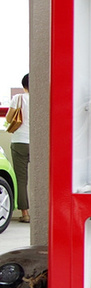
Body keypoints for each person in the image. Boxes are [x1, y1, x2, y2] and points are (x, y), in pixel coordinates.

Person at [7, 74, 29, 223]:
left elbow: (9, 119)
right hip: (40, 142)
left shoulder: (19, 98)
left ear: (24, 85)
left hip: (20, 142)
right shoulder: (44, 98)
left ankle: (25, 213)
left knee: (21, 180)